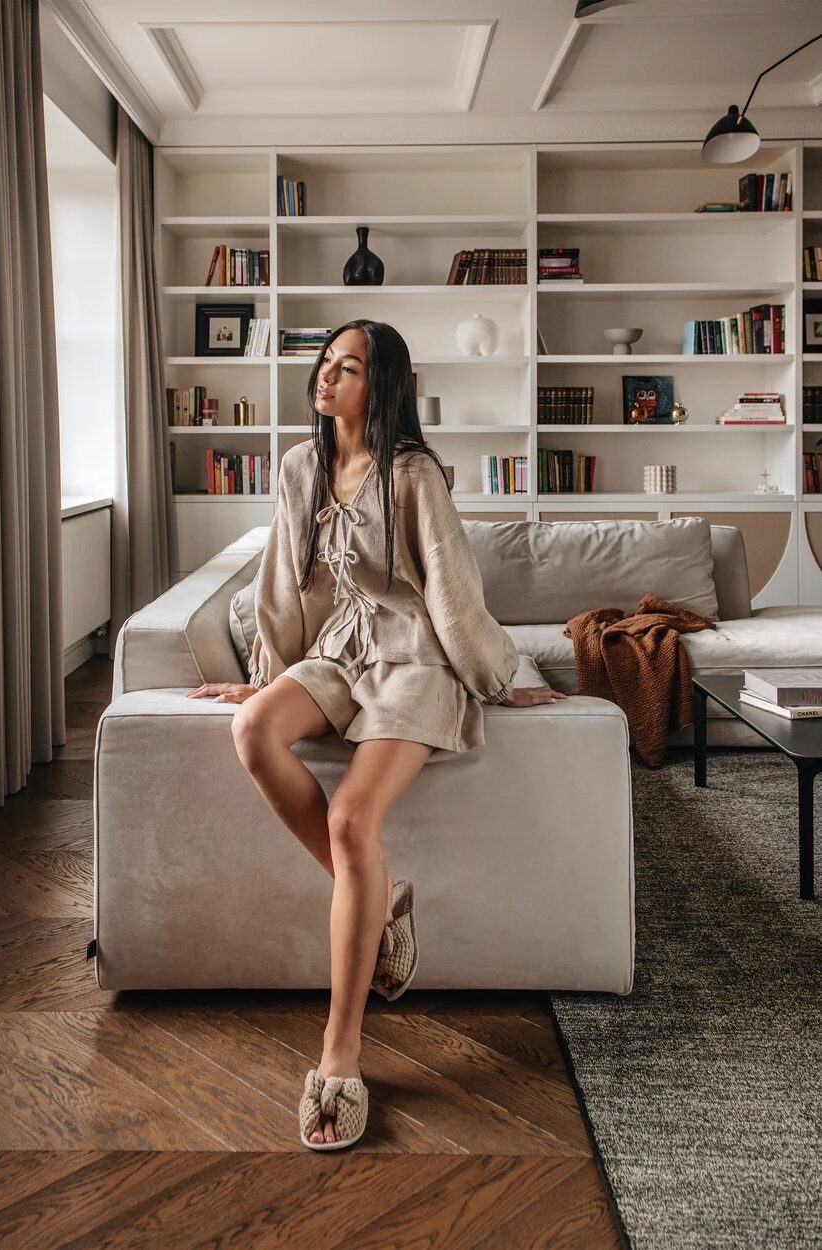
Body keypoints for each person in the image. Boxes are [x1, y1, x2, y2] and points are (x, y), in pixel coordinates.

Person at [187, 318, 566, 1149]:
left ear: (379, 384)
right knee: (254, 729)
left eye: (347, 368)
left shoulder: (413, 473)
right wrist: (266, 674)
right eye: (325, 363)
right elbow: (280, 582)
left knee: (352, 820)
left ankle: (340, 1056)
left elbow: (452, 591)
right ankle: (385, 903)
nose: (326, 378)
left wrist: (502, 679)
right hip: (335, 655)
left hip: (414, 662)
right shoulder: (298, 467)